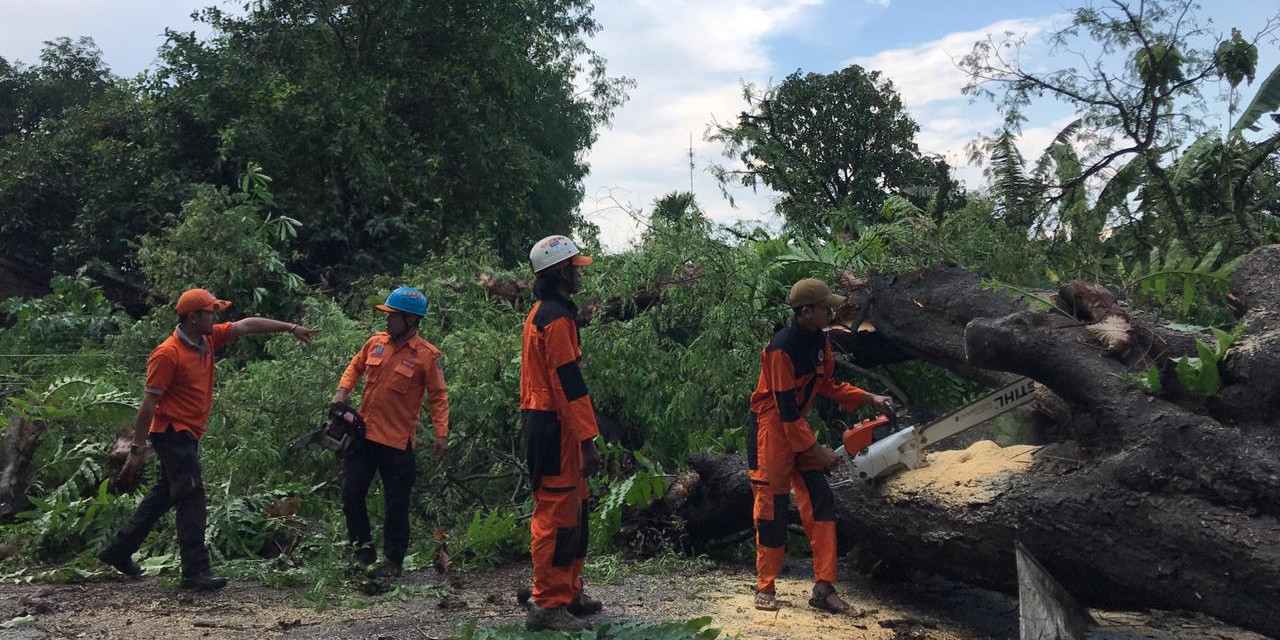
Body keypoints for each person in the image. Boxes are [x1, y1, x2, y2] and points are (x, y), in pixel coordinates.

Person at [98, 289, 318, 590]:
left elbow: (247, 325)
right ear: (193, 317)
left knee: (164, 495)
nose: (215, 318)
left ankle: (118, 551)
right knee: (192, 498)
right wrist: (136, 449)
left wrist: (291, 327)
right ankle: (194, 571)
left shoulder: (208, 338)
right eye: (210, 313)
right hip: (173, 433)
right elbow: (148, 404)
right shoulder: (167, 353)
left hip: (186, 433)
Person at [748, 278, 893, 614]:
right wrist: (814, 451)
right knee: (771, 508)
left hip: (795, 424)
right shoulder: (780, 348)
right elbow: (783, 408)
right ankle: (765, 587)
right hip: (770, 430)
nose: (832, 311)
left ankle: (824, 588)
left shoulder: (819, 343)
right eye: (826, 307)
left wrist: (868, 397)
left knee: (821, 499)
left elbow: (827, 384)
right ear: (806, 311)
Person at [331, 286, 449, 579]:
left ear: (411, 320)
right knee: (351, 493)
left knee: (397, 503)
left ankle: (393, 562)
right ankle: (363, 554)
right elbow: (354, 367)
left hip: (397, 443)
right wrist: (342, 392)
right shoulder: (375, 344)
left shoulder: (427, 356)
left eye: (393, 316)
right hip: (363, 437)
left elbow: (438, 395)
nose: (387, 321)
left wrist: (441, 433)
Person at [520, 235, 603, 632]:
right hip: (554, 427)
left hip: (557, 425)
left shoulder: (552, 313)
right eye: (574, 267)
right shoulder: (554, 319)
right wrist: (587, 440)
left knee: (576, 510)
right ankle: (547, 603)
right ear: (559, 272)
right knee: (556, 515)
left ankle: (568, 590)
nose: (579, 273)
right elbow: (567, 384)